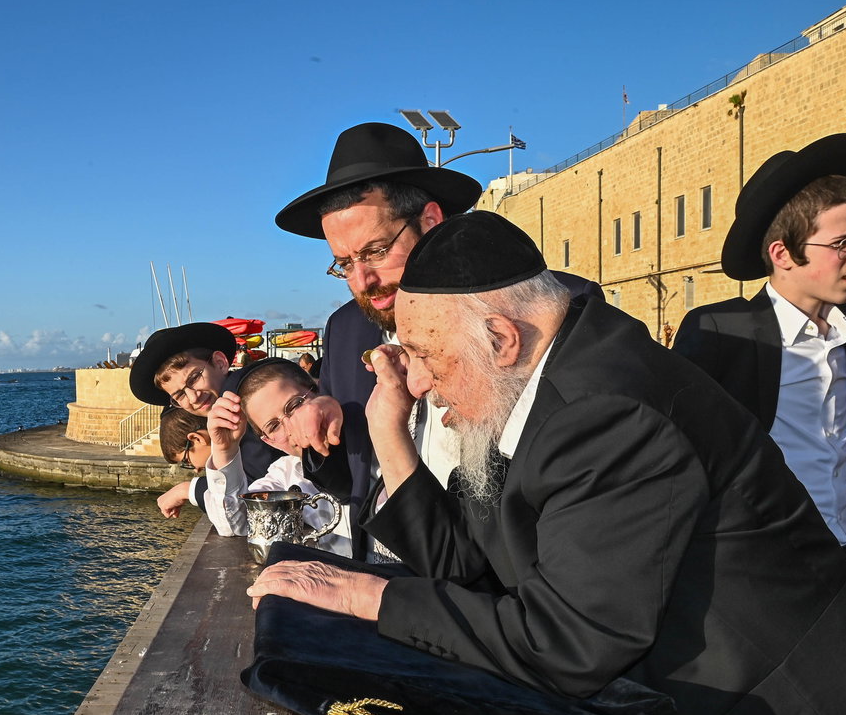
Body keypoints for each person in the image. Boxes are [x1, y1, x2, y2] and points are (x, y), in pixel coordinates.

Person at [249, 211, 846, 715]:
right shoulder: (533, 378)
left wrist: (368, 598)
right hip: (691, 699)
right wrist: (389, 431)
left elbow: (567, 640)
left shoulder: (603, 408)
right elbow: (465, 561)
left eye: (430, 356)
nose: (420, 382)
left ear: (502, 337)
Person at [274, 122, 605, 558]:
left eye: (375, 252)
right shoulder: (344, 331)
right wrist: (321, 428)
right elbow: (349, 481)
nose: (362, 280)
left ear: (430, 221)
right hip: (376, 574)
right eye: (343, 263)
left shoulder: (546, 307)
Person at [674, 133, 846, 562]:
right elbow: (676, 447)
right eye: (841, 244)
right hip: (767, 558)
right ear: (783, 254)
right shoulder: (721, 330)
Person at [202, 359, 354, 557]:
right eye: (274, 426)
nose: (291, 427)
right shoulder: (285, 473)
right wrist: (224, 450)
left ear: (318, 392)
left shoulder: (366, 437)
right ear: (268, 441)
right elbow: (234, 523)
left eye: (295, 405)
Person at [131, 322, 281, 518]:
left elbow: (252, 496)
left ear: (220, 362)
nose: (193, 397)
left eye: (194, 379)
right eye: (180, 395)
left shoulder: (245, 406)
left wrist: (189, 490)